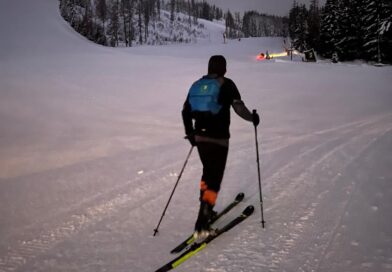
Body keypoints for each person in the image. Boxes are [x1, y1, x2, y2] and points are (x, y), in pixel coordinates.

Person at [182, 55, 260, 239]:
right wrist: (253, 119)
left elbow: (185, 111)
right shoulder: (227, 84)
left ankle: (207, 209)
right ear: (224, 68)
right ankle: (203, 221)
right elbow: (239, 108)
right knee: (214, 180)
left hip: (200, 138)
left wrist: (191, 133)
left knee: (207, 174)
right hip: (219, 139)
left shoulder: (197, 84)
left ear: (209, 67)